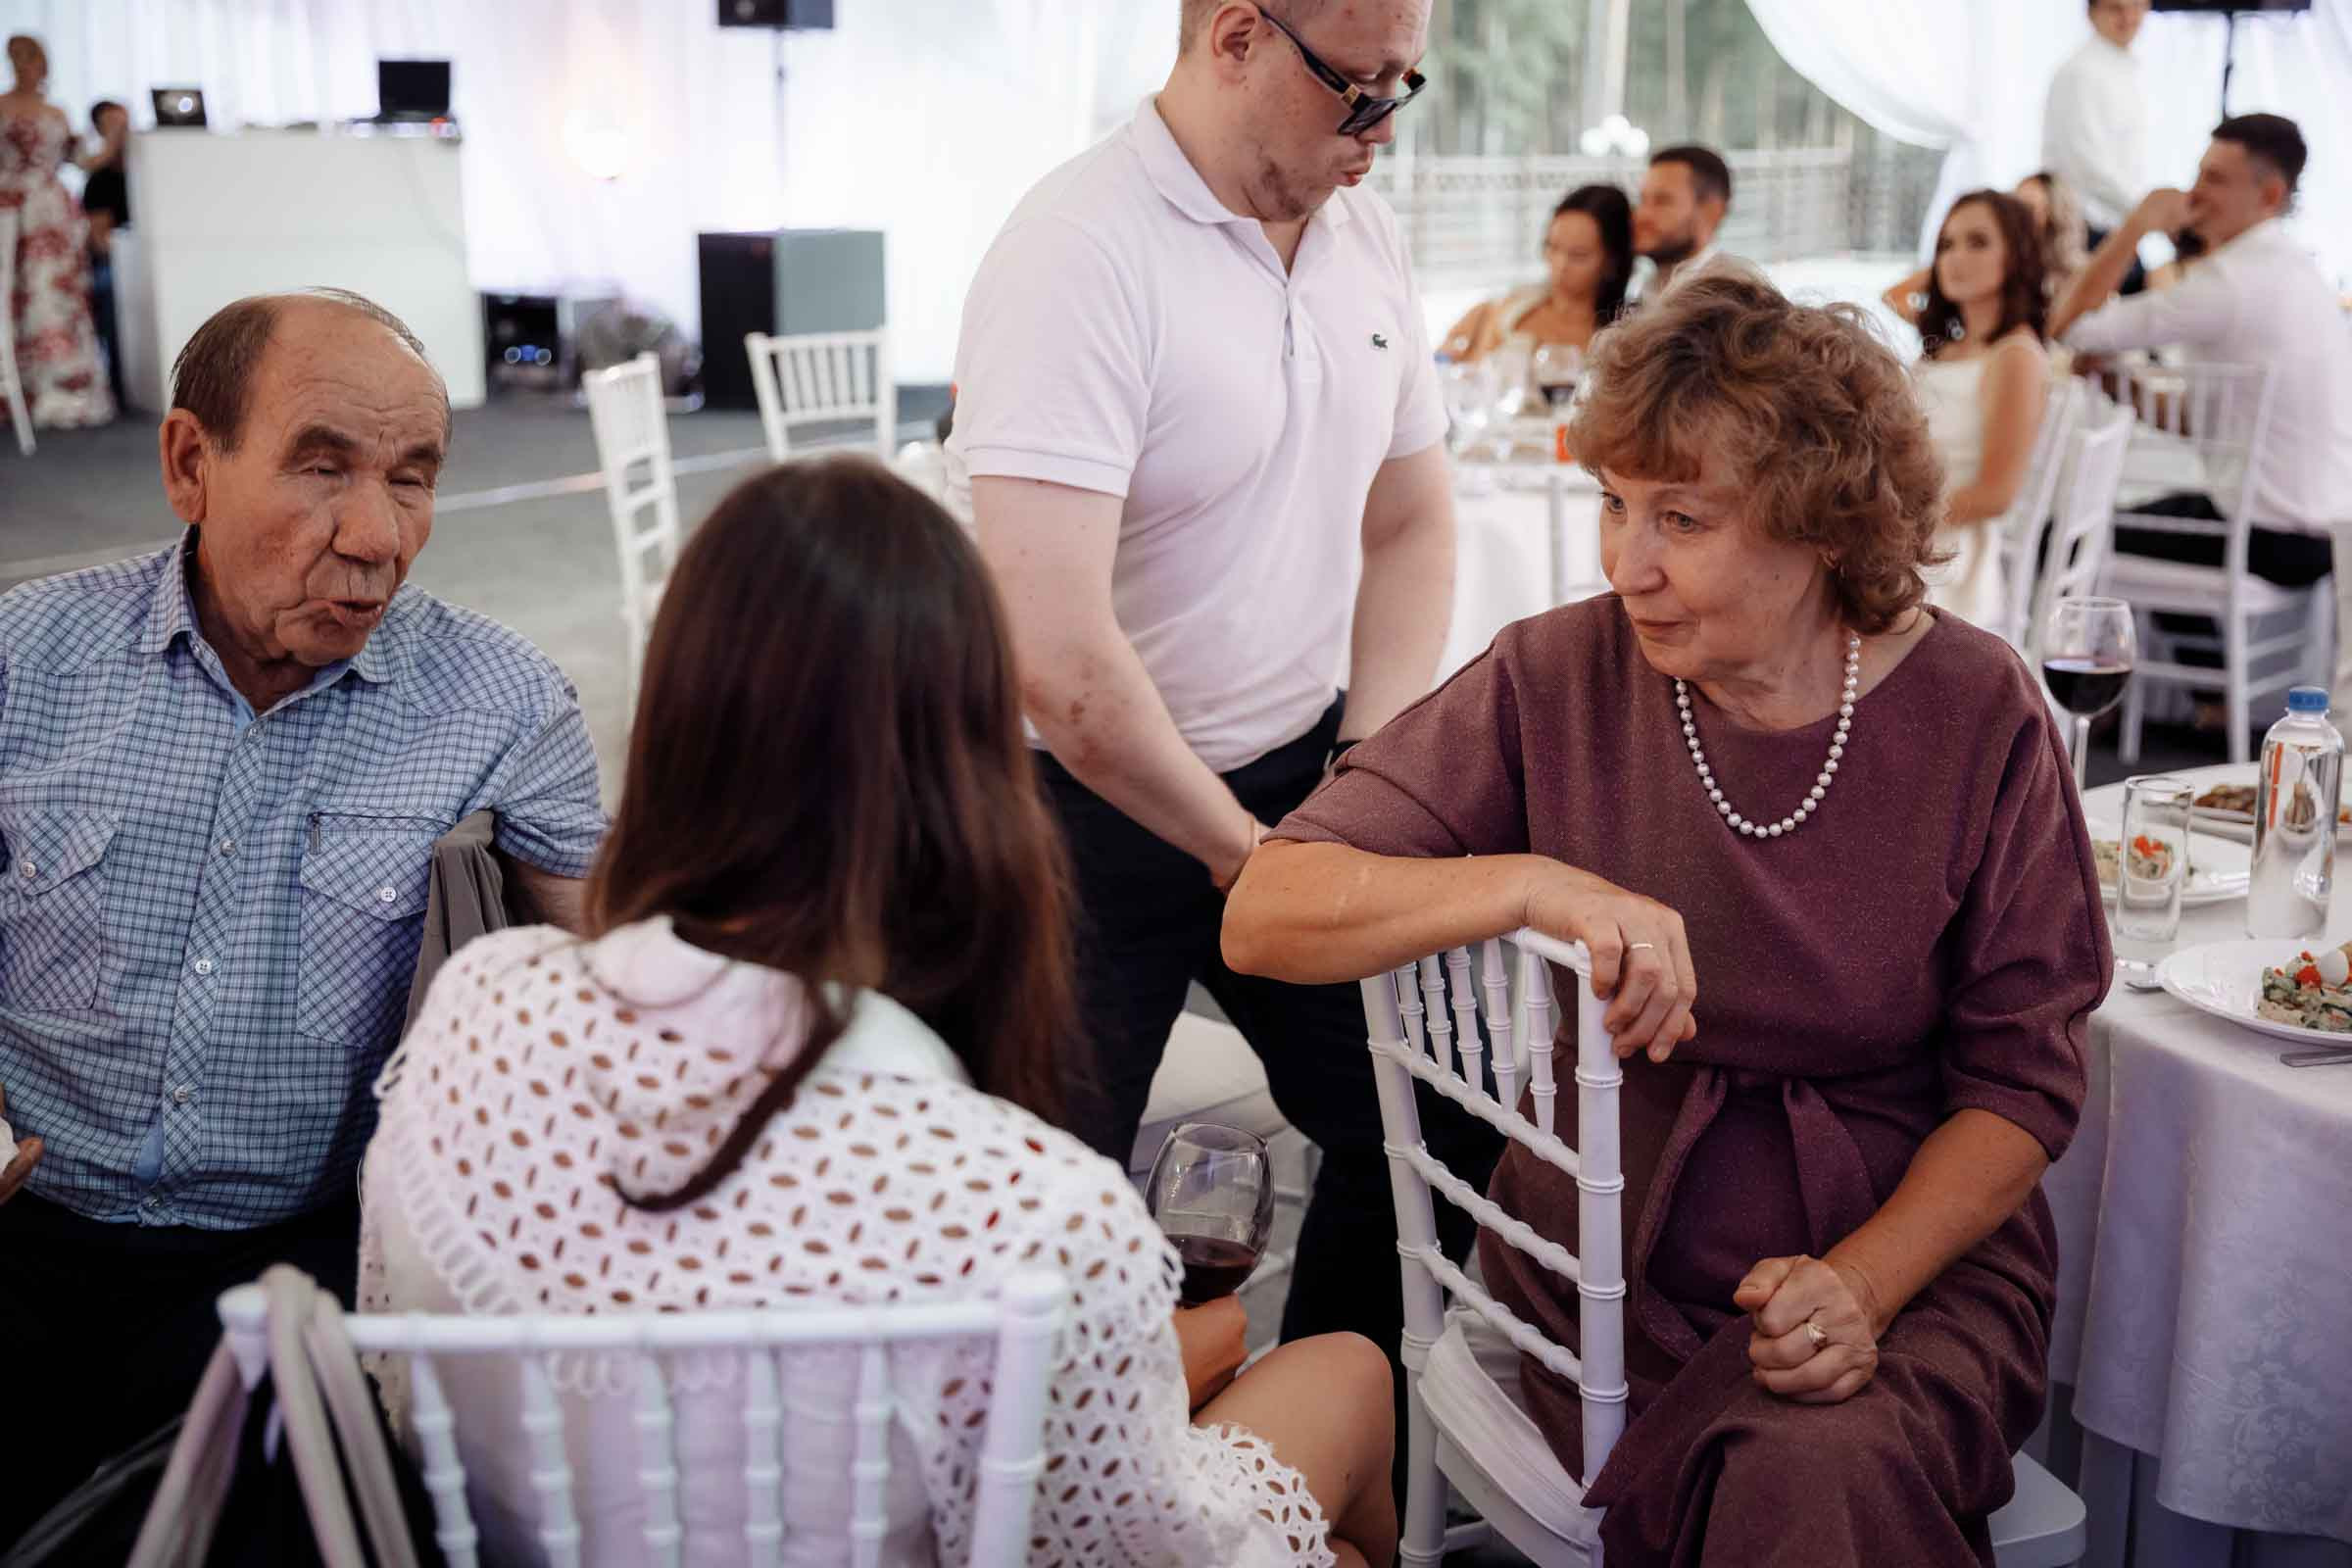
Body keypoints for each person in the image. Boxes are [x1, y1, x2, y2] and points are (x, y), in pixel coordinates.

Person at [363, 457, 1400, 1568]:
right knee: (1351, 1378)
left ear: (672, 724)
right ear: (975, 775)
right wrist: (1140, 1390)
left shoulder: (474, 1011)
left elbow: (398, 1387)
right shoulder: (1028, 1208)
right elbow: (1144, 1548)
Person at [1224, 270, 2108, 1568]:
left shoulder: (1983, 713)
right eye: (1613, 505)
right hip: (1608, 1277)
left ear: (1820, 524)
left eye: (1681, 519)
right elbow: (1264, 909)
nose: (1627, 563)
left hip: (1904, 1275)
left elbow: (2025, 1083)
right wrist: (1535, 882)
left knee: (1821, 1465)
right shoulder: (1559, 673)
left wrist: (1860, 1286)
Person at [945, 0, 1494, 1451]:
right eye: (1357, 91)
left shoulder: (1356, 224)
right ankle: (1053, 1516)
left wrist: (1370, 767)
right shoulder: (1080, 249)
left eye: (1403, 91)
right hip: (1067, 808)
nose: (1381, 133)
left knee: (1425, 1122)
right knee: (1032, 1222)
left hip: (1299, 783)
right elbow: (1054, 652)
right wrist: (1241, 852)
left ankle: (1295, 1460)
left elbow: (1414, 516)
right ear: (1238, 36)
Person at [0, 288, 606, 1546]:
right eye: (323, 467)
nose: (378, 535)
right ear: (189, 463)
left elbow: (619, 988)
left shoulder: (499, 701)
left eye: (414, 478)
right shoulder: (27, 659)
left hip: (307, 1255)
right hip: (30, 1228)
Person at [2050, 115, 2352, 619]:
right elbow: (2199, 424)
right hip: (2323, 536)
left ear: (2270, 196)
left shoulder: (2229, 282)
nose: (2193, 193)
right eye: (2198, 174)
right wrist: (2113, 382)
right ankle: (2210, 701)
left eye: (2215, 179)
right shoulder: (2301, 272)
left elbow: (2067, 328)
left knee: (2058, 539)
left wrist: (2136, 226)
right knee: (2167, 518)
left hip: (2265, 538)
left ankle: (2063, 696)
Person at [1910, 190, 2052, 632]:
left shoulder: (2015, 356)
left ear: (2017, 255)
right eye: (1946, 245)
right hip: (1918, 527)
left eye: (1978, 242)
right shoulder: (1945, 350)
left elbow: (1997, 494)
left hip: (1952, 551)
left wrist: (1892, 523)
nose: (1955, 258)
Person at [0, 34, 119, 427]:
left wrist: (115, 140)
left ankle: (63, 387)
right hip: (9, 211)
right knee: (12, 296)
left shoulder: (57, 113)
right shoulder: (2, 106)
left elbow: (83, 162)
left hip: (50, 214)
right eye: (18, 59)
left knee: (55, 293)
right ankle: (18, 389)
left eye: (31, 59)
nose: (25, 67)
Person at [1442, 182, 1635, 364]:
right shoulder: (1505, 308)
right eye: (1552, 247)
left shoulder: (1615, 345)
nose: (1560, 265)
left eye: (1578, 255)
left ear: (1611, 262)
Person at [2042, 0, 2150, 294]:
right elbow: (2085, 164)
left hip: (2115, 227)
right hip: (2084, 232)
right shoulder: (2082, 73)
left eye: (2137, 6)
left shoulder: (2124, 70)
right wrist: (2148, 213)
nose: (2128, 17)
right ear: (2091, 13)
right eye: (2116, 8)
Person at [1883, 172, 2085, 321]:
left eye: (2029, 208)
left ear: (2055, 218)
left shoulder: (2077, 273)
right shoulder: (1985, 260)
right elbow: (1893, 296)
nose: (2017, 215)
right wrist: (1945, 330)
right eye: (2014, 203)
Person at [1631, 143, 1733, 303]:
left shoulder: (1732, 306)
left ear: (1711, 211)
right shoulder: (1648, 288)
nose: (1641, 215)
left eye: (1662, 201)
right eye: (1642, 200)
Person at [79, 97, 130, 410]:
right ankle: (120, 382)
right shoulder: (99, 181)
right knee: (110, 286)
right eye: (113, 125)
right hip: (113, 262)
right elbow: (101, 240)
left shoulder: (153, 170)